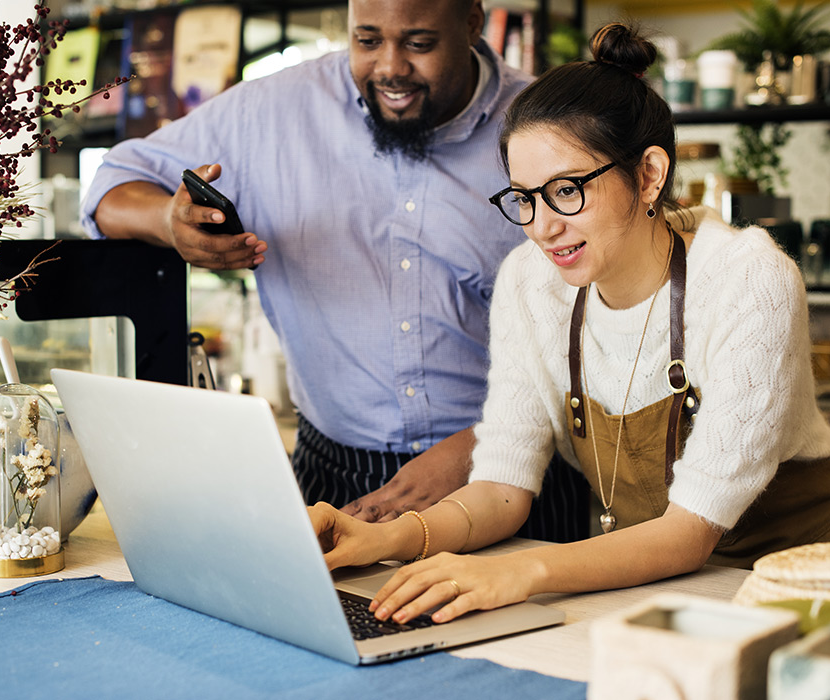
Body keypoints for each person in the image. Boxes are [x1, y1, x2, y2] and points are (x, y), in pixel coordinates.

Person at [308, 22, 830, 627]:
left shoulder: (748, 281)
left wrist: (522, 572)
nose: (541, 226)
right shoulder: (531, 283)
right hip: (651, 590)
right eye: (524, 198)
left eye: (566, 190)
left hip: (795, 592)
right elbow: (503, 487)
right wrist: (388, 539)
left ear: (649, 175)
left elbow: (688, 533)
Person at [80, 0, 590, 538]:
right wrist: (168, 219)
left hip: (518, 468)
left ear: (471, 24)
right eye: (367, 41)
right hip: (338, 478)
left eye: (419, 43)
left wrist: (485, 446)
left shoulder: (546, 127)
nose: (390, 67)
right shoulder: (271, 111)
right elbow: (111, 185)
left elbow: (611, 324)